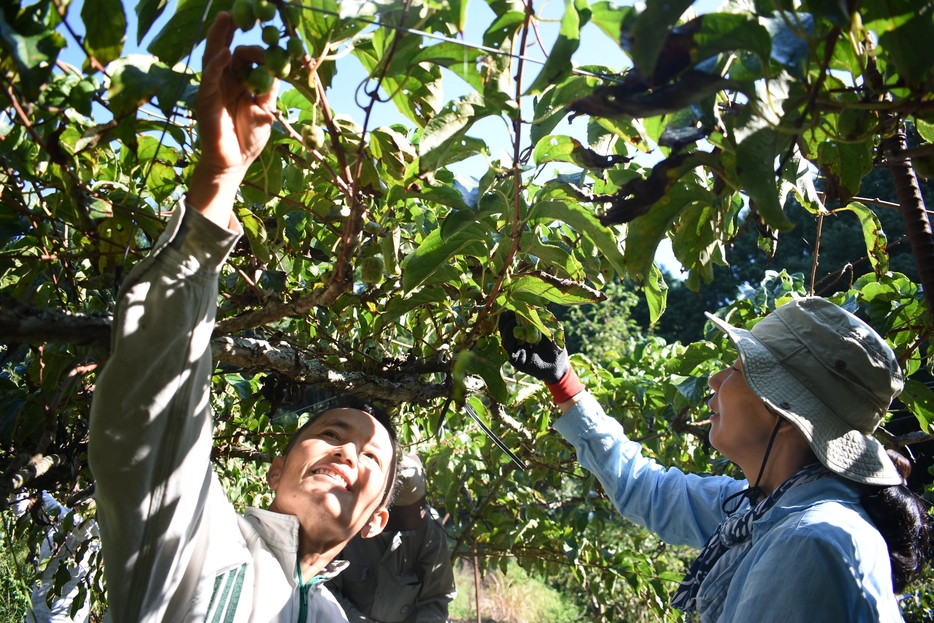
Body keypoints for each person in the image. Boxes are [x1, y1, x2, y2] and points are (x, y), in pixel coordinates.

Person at [87, 12, 400, 622]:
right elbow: (150, 414)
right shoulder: (201, 541)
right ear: (278, 466)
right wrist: (218, 185)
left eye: (370, 459)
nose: (347, 455)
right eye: (332, 435)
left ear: (376, 520)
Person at [499, 299, 932, 622]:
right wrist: (564, 383)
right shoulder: (766, 509)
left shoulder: (810, 542)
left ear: (785, 413)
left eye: (738, 369)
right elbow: (649, 490)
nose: (715, 378)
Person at [328, 453, 456, 623]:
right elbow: (325, 587)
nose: (404, 525)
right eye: (398, 517)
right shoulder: (345, 520)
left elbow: (436, 598)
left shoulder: (429, 529)